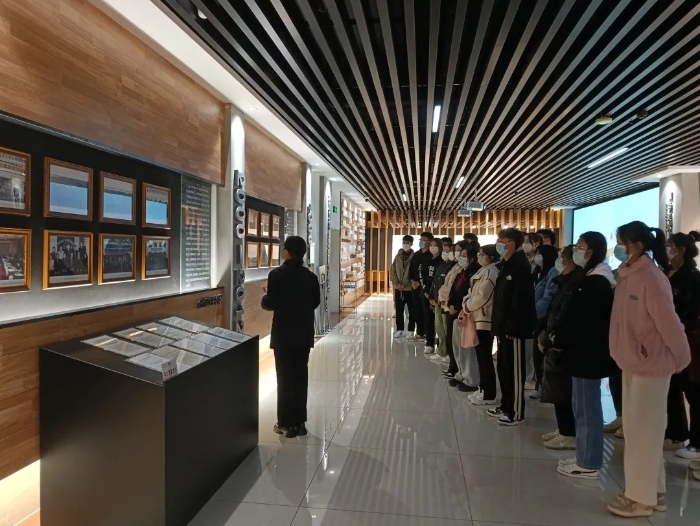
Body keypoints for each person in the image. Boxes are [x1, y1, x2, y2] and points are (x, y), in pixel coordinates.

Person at [607, 221, 690, 518]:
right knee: (641, 431)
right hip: (632, 362)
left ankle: (639, 499)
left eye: (622, 242)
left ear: (638, 245)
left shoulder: (651, 278)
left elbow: (670, 323)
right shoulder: (627, 275)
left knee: (643, 434)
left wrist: (682, 358)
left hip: (651, 365)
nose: (618, 248)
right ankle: (655, 492)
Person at [551, 232, 615, 480]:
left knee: (588, 409)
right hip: (580, 352)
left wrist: (561, 337)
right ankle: (583, 455)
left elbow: (583, 320)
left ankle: (589, 462)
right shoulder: (587, 277)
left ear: (592, 251)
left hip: (588, 352)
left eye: (581, 247)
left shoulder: (597, 282)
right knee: (581, 406)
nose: (577, 250)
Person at [261, 236, 321, 439]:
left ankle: (286, 423)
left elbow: (270, 303)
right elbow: (315, 302)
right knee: (300, 377)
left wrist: (265, 297)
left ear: (287, 251)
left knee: (284, 378)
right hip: (303, 333)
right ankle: (300, 422)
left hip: (284, 333)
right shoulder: (310, 277)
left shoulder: (276, 274)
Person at [538, 245, 584, 450]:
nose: (561, 260)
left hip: (564, 345)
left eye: (563, 257)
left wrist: (549, 338)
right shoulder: (563, 281)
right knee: (558, 391)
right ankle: (563, 429)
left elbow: (565, 317)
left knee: (564, 391)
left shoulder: (577, 284)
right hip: (553, 340)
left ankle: (569, 433)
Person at [488, 228, 536, 426]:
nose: (498, 243)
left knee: (514, 371)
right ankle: (505, 404)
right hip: (502, 327)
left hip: (513, 329)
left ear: (512, 244)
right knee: (503, 368)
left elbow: (521, 301)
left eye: (502, 240)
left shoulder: (520, 266)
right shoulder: (505, 265)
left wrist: (512, 327)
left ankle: (516, 411)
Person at [665, 233, 700, 460]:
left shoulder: (692, 277)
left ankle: (696, 443)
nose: (667, 249)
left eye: (670, 245)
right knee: (673, 386)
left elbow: (689, 311)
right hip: (670, 338)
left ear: (681, 250)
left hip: (689, 339)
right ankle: (676, 432)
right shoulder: (669, 274)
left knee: (693, 392)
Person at [464, 244, 501, 405]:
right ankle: (483, 388)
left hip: (484, 319)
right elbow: (471, 292)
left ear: (491, 257)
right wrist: (467, 302)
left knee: (485, 357)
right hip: (476, 316)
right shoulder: (483, 270)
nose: (479, 257)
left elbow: (484, 296)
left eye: (482, 254)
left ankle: (489, 393)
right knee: (480, 356)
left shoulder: (492, 272)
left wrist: (467, 306)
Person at [446, 244, 480, 390]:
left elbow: (468, 294)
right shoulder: (462, 272)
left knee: (467, 348)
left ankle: (470, 378)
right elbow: (454, 290)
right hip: (455, 313)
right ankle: (460, 373)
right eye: (461, 255)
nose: (461, 258)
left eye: (464, 256)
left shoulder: (474, 273)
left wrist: (458, 307)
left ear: (472, 259)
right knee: (457, 346)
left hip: (465, 314)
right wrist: (450, 304)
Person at [532, 244, 559, 396]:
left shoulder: (553, 272)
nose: (537, 257)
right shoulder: (538, 271)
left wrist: (533, 313)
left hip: (543, 317)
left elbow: (547, 297)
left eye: (540, 254)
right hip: (537, 316)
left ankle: (544, 387)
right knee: (537, 354)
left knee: (542, 353)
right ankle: (540, 385)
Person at [429, 242, 456, 362]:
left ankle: (449, 353)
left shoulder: (453, 267)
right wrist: (432, 297)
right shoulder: (442, 265)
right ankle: (441, 350)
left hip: (445, 302)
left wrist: (441, 298)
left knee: (446, 328)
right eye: (444, 250)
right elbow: (435, 282)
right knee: (439, 328)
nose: (445, 253)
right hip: (437, 300)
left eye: (448, 251)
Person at [408, 232, 434, 341]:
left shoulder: (431, 255)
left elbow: (428, 273)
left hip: (425, 288)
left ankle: (427, 334)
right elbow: (411, 269)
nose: (421, 242)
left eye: (424, 240)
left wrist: (420, 282)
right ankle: (419, 332)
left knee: (426, 311)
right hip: (415, 287)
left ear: (429, 242)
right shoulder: (416, 254)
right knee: (416, 310)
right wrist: (412, 281)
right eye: (420, 240)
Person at [419, 238, 443, 355]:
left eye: (435, 245)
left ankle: (440, 344)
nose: (433, 247)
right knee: (428, 319)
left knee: (439, 322)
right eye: (431, 245)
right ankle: (429, 343)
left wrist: (435, 295)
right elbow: (422, 276)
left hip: (438, 296)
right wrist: (426, 292)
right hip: (426, 294)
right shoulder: (426, 260)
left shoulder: (442, 261)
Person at [390, 235, 415, 338]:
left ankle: (410, 330)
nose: (405, 244)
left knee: (412, 310)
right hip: (399, 289)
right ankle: (400, 329)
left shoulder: (414, 257)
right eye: (404, 242)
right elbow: (393, 271)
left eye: (407, 243)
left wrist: (408, 283)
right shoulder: (397, 257)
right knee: (399, 310)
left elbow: (414, 273)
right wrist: (397, 284)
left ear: (411, 244)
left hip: (410, 288)